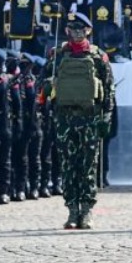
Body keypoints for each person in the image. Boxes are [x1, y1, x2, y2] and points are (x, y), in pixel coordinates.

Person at [41, 12, 114, 230]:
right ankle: (73, 210)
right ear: (67, 31)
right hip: (65, 117)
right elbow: (42, 86)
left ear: (89, 31)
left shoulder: (97, 56)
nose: (77, 32)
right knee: (68, 165)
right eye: (73, 28)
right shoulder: (58, 56)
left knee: (88, 165)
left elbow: (109, 87)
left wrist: (107, 116)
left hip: (89, 117)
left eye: (81, 29)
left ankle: (87, 210)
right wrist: (47, 85)